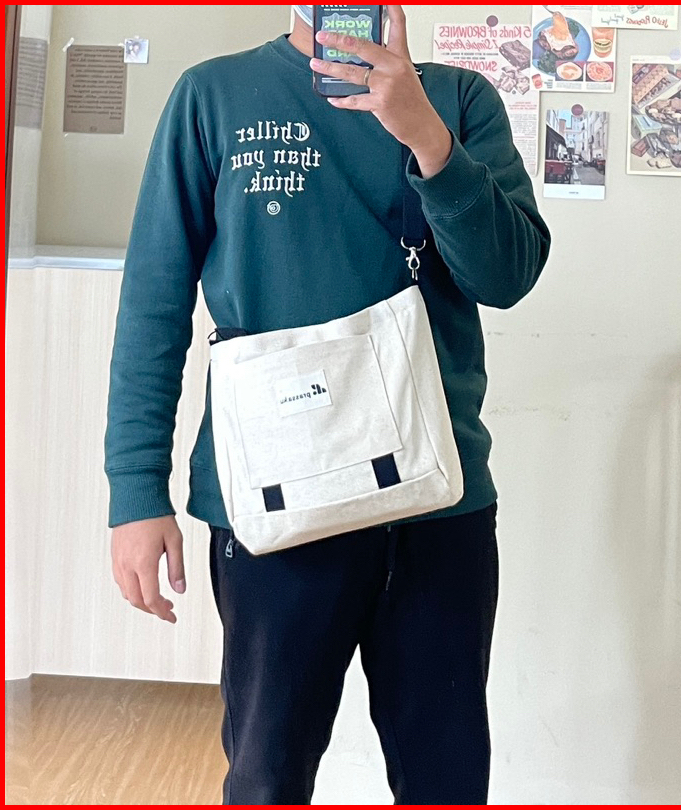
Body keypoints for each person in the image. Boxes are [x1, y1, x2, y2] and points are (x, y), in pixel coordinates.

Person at [105, 5, 551, 805]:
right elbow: (154, 304)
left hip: (436, 505)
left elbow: (507, 276)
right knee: (268, 775)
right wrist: (136, 494)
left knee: (446, 780)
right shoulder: (213, 95)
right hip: (273, 504)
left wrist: (426, 137)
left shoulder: (459, 99)